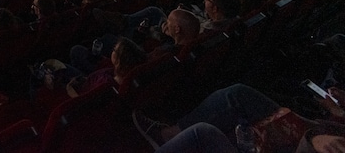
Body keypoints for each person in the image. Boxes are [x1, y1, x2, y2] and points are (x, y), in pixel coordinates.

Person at [132, 83, 345, 153]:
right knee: (237, 94)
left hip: (299, 142)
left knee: (202, 133)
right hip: (310, 128)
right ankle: (170, 134)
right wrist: (339, 113)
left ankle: (167, 136)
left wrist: (313, 140)